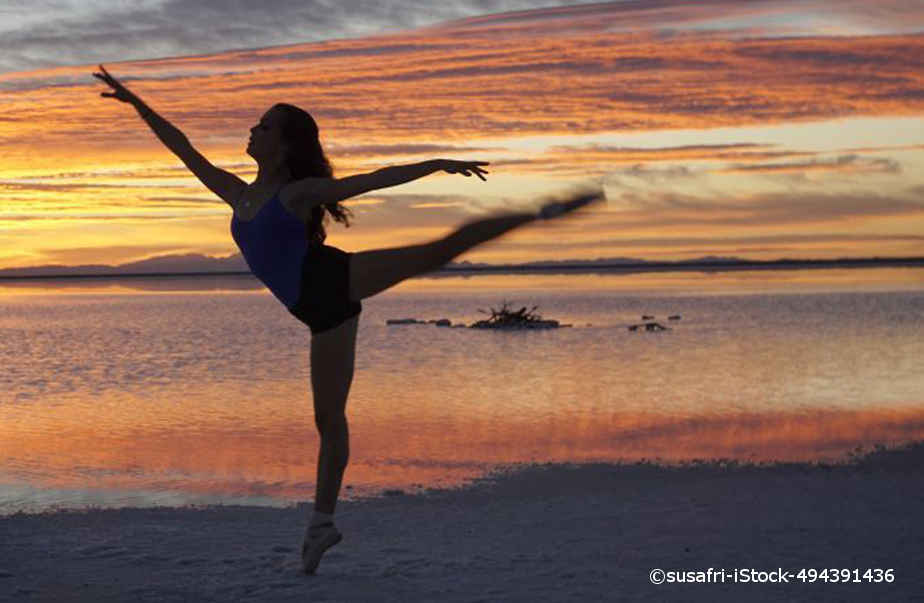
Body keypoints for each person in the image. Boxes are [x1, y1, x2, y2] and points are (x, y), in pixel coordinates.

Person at [93, 65, 603, 575]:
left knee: (439, 249)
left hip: (335, 281)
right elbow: (180, 146)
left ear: (286, 145)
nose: (253, 130)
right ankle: (321, 526)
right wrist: (135, 102)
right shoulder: (236, 192)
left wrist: (437, 164)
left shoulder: (297, 193)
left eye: (264, 126)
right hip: (319, 316)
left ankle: (543, 213)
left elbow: (371, 181)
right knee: (329, 422)